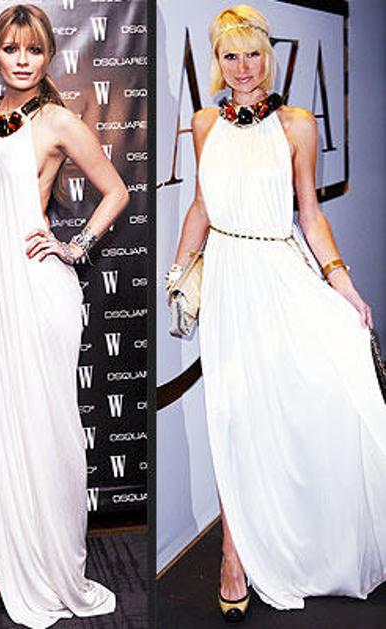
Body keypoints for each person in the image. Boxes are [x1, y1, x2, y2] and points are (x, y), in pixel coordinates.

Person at [166, 4, 386, 622]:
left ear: (269, 55)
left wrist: (343, 284)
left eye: (252, 54)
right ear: (218, 61)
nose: (242, 67)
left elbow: (309, 212)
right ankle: (233, 555)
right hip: (228, 280)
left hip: (279, 272)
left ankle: (303, 531)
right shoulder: (204, 122)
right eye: (230, 55)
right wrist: (178, 275)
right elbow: (202, 205)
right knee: (231, 414)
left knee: (300, 401)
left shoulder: (297, 124)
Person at [0, 4, 129, 627]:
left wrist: (74, 247)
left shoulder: (57, 121)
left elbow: (117, 190)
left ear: (47, 56)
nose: (22, 60)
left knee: (41, 431)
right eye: (11, 49)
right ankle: (8, 557)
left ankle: (48, 565)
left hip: (37, 293)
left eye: (34, 50)